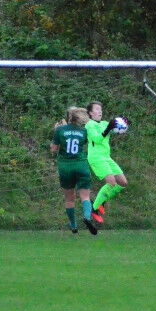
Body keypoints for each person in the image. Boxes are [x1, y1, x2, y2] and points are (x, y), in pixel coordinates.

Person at [51, 107, 98, 235]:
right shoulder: (84, 131)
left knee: (69, 199)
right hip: (81, 165)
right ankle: (87, 218)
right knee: (85, 196)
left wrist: (56, 131)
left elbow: (53, 149)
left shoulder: (60, 130)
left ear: (68, 117)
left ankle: (73, 225)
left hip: (65, 167)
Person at [85, 101, 128, 224]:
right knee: (111, 182)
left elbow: (116, 129)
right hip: (96, 158)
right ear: (91, 113)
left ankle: (101, 201)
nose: (100, 111)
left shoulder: (104, 123)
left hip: (106, 157)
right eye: (96, 109)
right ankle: (94, 209)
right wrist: (109, 128)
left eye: (101, 109)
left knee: (123, 183)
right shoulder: (89, 125)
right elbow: (97, 139)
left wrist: (124, 123)